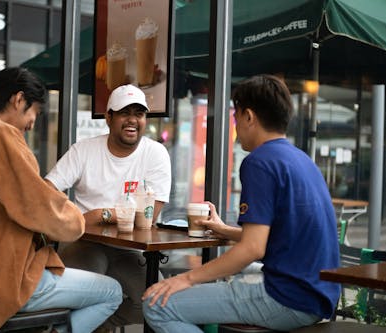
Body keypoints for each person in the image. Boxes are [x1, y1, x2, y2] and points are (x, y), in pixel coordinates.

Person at [142, 74, 341, 332]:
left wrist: (185, 279)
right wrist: (225, 230)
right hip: (319, 296)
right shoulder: (300, 160)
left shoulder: (260, 162)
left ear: (249, 116)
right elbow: (279, 238)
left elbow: (253, 249)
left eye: (235, 116)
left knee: (156, 304)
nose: (235, 124)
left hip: (286, 298)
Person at [0, 67, 122, 333]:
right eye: (35, 111)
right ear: (18, 100)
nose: (33, 122)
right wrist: (77, 218)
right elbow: (40, 206)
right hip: (2, 281)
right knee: (112, 291)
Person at [45, 84, 172, 330]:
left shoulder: (155, 153)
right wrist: (72, 219)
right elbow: (46, 191)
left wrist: (99, 215)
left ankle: (95, 327)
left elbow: (149, 215)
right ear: (109, 117)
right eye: (125, 113)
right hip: (83, 242)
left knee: (156, 303)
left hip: (129, 249)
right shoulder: (84, 150)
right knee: (82, 295)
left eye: (139, 113)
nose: (133, 120)